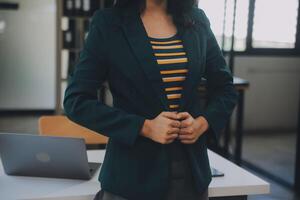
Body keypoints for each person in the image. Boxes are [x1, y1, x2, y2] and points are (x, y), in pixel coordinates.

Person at [63, 0, 238, 199]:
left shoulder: (196, 19)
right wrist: (144, 127)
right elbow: (76, 101)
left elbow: (225, 88)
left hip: (191, 172)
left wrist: (202, 123)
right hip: (132, 175)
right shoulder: (109, 23)